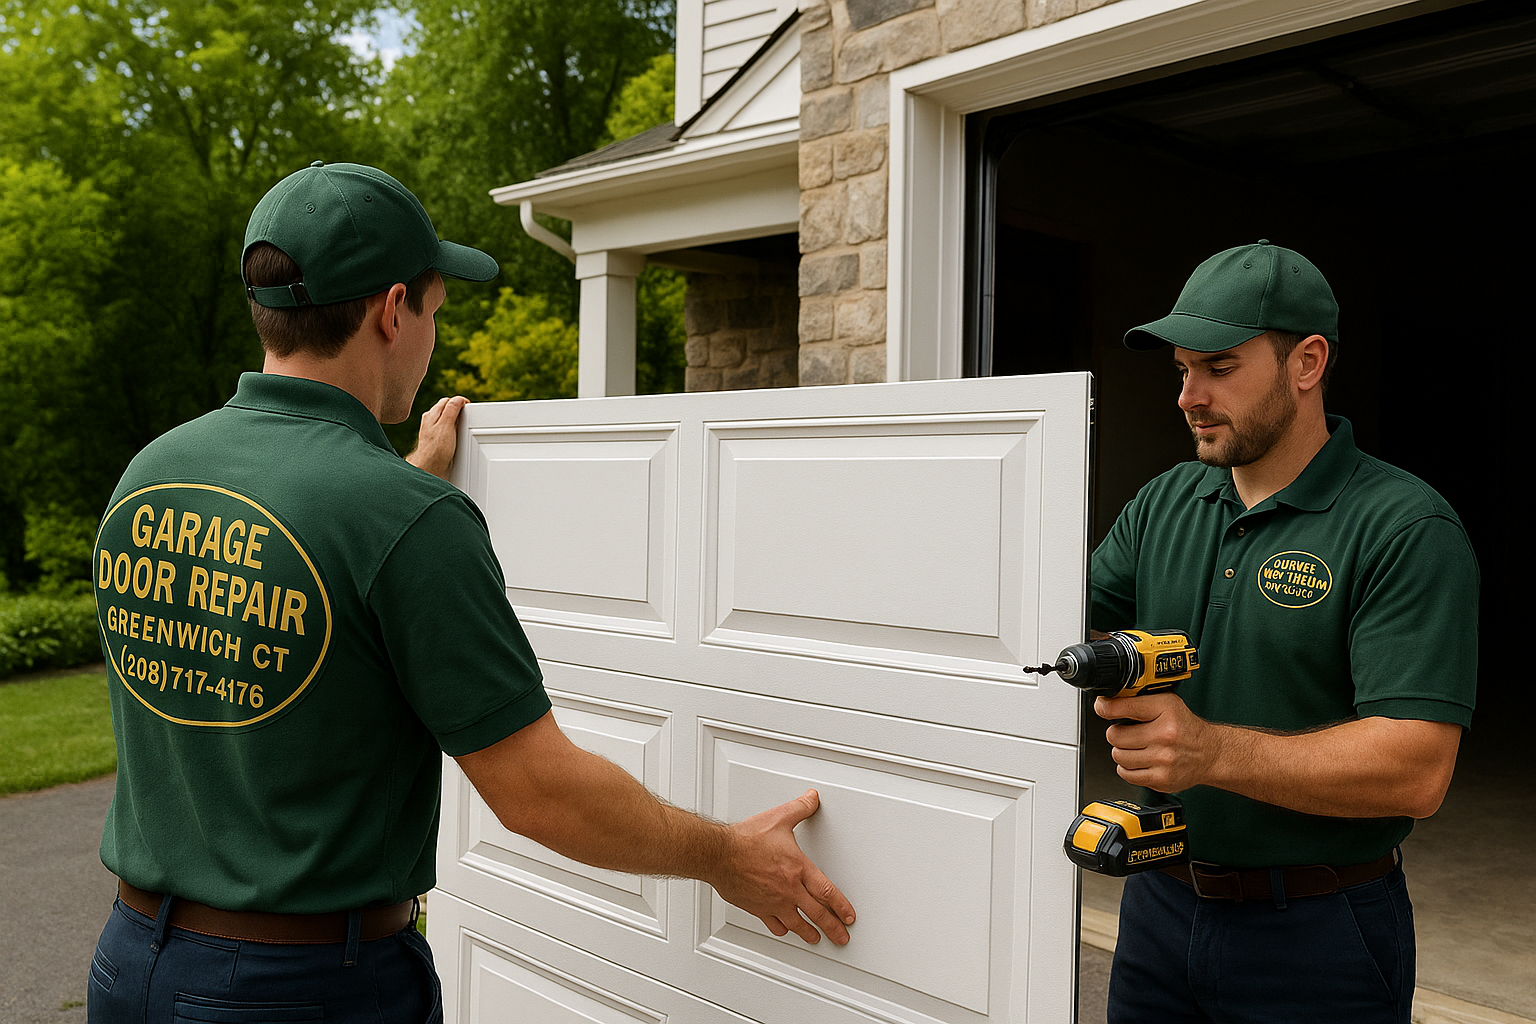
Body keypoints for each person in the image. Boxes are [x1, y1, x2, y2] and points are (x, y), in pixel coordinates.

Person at [87, 161, 855, 1024]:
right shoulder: (402, 521)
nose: (431, 339)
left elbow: (281, 594)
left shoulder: (151, 475)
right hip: (298, 994)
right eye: (435, 313)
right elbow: (536, 791)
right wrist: (725, 856)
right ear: (390, 309)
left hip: (129, 967)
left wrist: (406, 488)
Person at [1090, 240, 1477, 1023]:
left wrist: (1209, 751)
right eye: (1181, 370)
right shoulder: (1165, 501)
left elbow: (1417, 770)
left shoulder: (1404, 526)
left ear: (1306, 363)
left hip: (1319, 933)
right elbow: (1037, 630)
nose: (1188, 396)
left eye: (1219, 368)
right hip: (1157, 913)